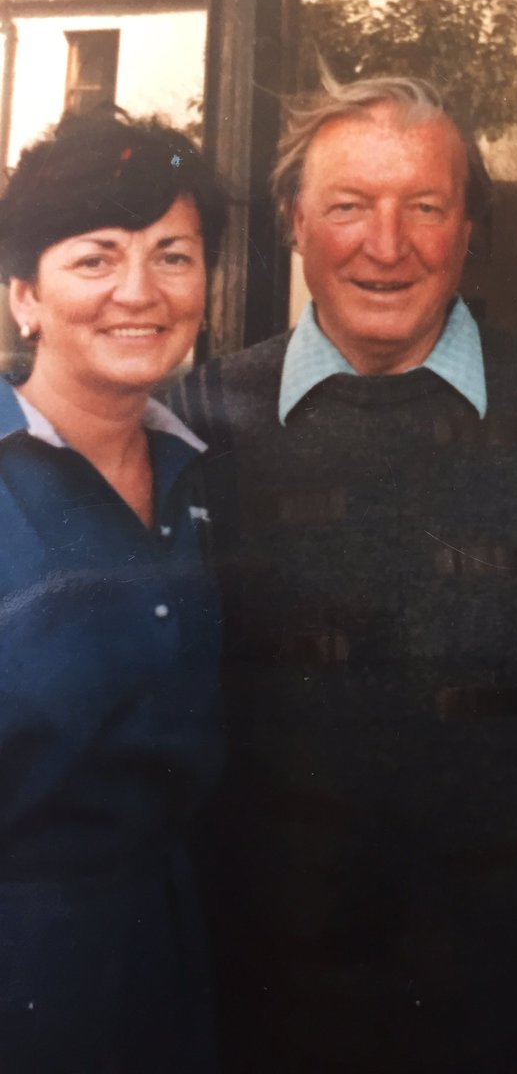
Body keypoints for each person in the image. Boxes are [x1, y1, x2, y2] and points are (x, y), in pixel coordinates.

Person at [169, 74, 517, 1074]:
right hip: (270, 989)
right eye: (349, 206)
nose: (388, 244)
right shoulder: (201, 418)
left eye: (425, 206)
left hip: (509, 985)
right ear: (295, 223)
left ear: (468, 229)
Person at [0, 110, 227, 1072]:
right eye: (96, 258)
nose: (139, 292)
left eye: (172, 255)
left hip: (169, 972)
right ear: (24, 298)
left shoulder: (203, 475)